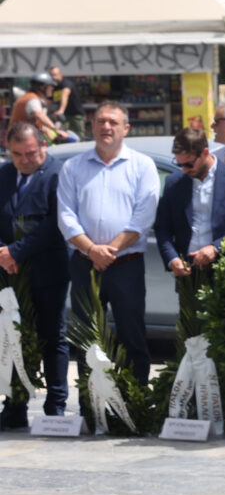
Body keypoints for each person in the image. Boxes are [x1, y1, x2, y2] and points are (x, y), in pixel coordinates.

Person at [57, 102, 159, 385]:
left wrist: (107, 252)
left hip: (126, 265)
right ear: (92, 126)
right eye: (101, 121)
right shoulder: (73, 167)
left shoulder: (143, 166)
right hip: (84, 264)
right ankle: (92, 410)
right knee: (87, 338)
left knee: (132, 336)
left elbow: (142, 219)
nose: (106, 127)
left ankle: (135, 403)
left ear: (125, 128)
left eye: (113, 122)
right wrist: (92, 251)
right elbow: (66, 217)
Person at [0, 123, 70, 429]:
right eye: (17, 154)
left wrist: (17, 251)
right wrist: (4, 252)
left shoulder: (59, 174)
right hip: (8, 271)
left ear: (43, 146)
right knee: (12, 336)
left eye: (30, 153)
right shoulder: (3, 174)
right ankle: (15, 404)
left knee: (51, 335)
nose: (24, 160)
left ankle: (55, 406)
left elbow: (56, 223)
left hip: (47, 268)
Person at [154, 127, 225, 278]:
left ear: (205, 153)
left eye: (189, 164)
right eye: (179, 164)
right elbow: (162, 228)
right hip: (188, 273)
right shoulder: (173, 183)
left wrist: (216, 248)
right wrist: (172, 259)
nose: (184, 170)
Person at [12, 72, 75, 145]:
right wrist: (55, 129)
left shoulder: (32, 98)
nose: (52, 89)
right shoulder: (32, 99)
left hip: (22, 138)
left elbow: (39, 125)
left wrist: (53, 139)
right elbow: (39, 115)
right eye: (50, 86)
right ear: (42, 87)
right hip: (20, 140)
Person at [49, 66, 86, 139]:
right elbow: (51, 101)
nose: (53, 77)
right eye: (51, 75)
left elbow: (65, 96)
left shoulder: (66, 84)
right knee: (64, 137)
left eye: (55, 75)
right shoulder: (54, 87)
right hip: (64, 117)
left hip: (75, 116)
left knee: (78, 136)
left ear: (60, 74)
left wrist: (61, 111)